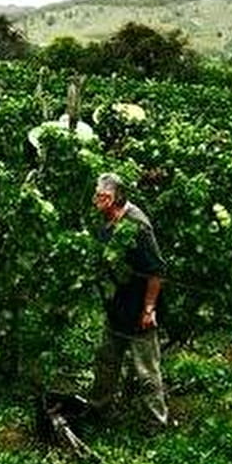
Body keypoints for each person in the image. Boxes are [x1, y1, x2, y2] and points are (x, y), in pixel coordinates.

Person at [90, 172, 169, 429]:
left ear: (118, 198)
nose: (98, 200)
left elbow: (156, 271)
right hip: (117, 306)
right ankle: (98, 409)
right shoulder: (105, 219)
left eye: (104, 196)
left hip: (139, 309)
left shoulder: (138, 226)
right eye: (97, 194)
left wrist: (149, 309)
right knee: (106, 360)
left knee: (146, 371)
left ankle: (155, 422)